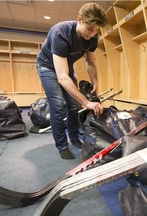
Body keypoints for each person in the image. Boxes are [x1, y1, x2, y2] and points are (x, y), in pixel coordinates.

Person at [36, 3, 108, 160]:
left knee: (73, 105)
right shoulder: (60, 33)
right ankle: (62, 145)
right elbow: (62, 77)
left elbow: (90, 62)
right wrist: (86, 102)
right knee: (58, 105)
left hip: (66, 67)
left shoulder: (92, 37)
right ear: (80, 19)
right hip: (47, 67)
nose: (92, 34)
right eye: (90, 29)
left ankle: (74, 138)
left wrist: (94, 81)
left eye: (96, 30)